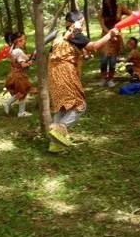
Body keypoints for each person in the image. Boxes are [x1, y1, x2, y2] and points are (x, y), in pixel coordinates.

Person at [47, 11, 119, 152]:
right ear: (78, 21)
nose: (84, 25)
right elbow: (95, 46)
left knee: (61, 106)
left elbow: (60, 52)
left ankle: (54, 145)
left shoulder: (60, 35)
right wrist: (110, 34)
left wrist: (83, 55)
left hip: (52, 73)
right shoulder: (75, 32)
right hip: (65, 72)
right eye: (83, 22)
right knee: (80, 105)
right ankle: (60, 129)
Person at [97, 0, 131, 87]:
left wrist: (123, 23)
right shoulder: (102, 11)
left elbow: (131, 14)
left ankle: (111, 79)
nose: (106, 1)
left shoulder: (120, 7)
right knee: (104, 59)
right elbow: (102, 25)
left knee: (112, 60)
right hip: (106, 36)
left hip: (117, 37)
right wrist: (109, 34)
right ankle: (104, 78)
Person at [3, 32, 33, 117]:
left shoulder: (14, 50)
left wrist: (28, 57)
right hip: (19, 75)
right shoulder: (19, 51)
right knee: (22, 93)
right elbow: (23, 65)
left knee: (21, 93)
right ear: (17, 41)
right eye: (23, 40)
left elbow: (20, 58)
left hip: (14, 74)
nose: (24, 42)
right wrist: (30, 63)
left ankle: (20, 111)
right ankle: (10, 105)